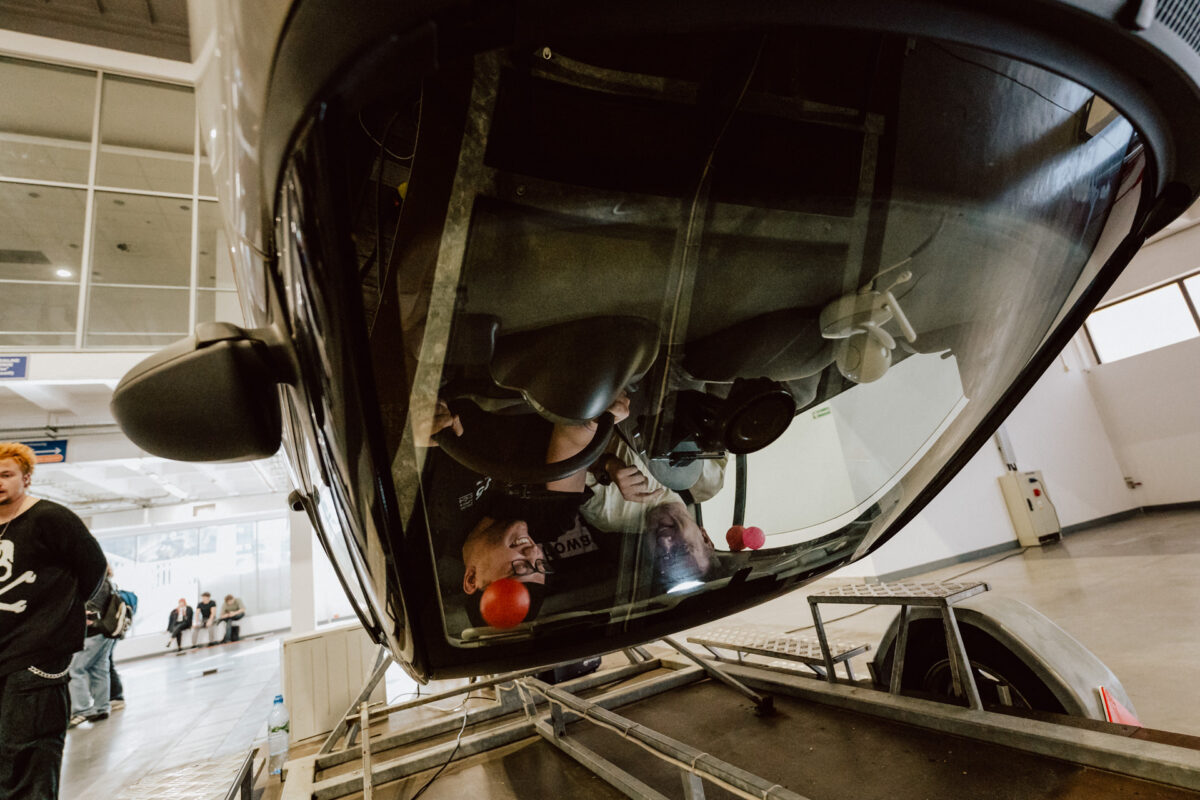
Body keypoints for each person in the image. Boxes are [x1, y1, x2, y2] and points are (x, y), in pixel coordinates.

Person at [0, 442, 107, 798]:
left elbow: (93, 570)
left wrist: (56, 622)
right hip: (4, 657)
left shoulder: (50, 518)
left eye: (6, 474)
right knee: (5, 761)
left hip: (36, 657)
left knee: (28, 757)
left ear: (26, 478)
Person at [67, 567, 118, 728]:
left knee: (75, 670)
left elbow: (88, 611)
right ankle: (102, 707)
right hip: (106, 632)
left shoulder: (97, 585)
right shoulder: (110, 584)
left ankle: (82, 710)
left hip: (93, 633)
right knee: (99, 669)